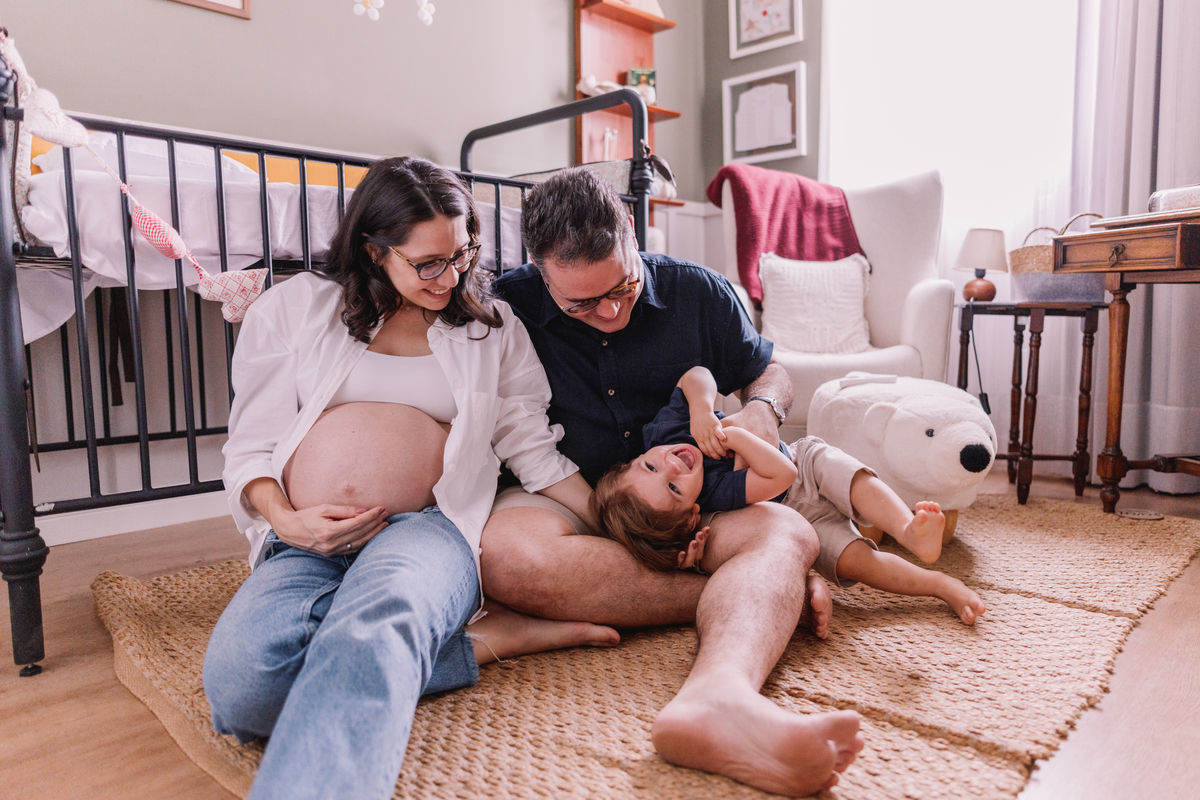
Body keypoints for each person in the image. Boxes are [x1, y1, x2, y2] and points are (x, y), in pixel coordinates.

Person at [203, 157, 617, 800]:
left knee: (374, 629)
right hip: (305, 537)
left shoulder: (493, 328)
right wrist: (290, 523)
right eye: (428, 263)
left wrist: (622, 535)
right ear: (374, 251)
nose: (451, 276)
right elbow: (250, 448)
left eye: (462, 253)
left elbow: (535, 454)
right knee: (244, 690)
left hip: (428, 531)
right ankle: (478, 644)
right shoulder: (295, 309)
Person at [485, 169, 864, 796]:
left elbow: (769, 372)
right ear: (539, 267)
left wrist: (762, 410)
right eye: (579, 303)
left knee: (785, 529)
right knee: (507, 557)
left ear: (631, 233)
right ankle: (751, 596)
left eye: (623, 287)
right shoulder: (506, 305)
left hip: (694, 498)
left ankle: (718, 696)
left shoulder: (699, 292)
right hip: (566, 490)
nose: (607, 312)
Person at [590, 366, 988, 625]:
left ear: (636, 457)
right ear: (693, 512)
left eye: (650, 467)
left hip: (809, 464)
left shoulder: (666, 432)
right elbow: (781, 477)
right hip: (795, 511)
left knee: (851, 479)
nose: (672, 467)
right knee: (860, 563)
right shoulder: (714, 490)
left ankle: (908, 529)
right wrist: (738, 435)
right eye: (674, 488)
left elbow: (696, 375)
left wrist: (700, 408)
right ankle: (938, 584)